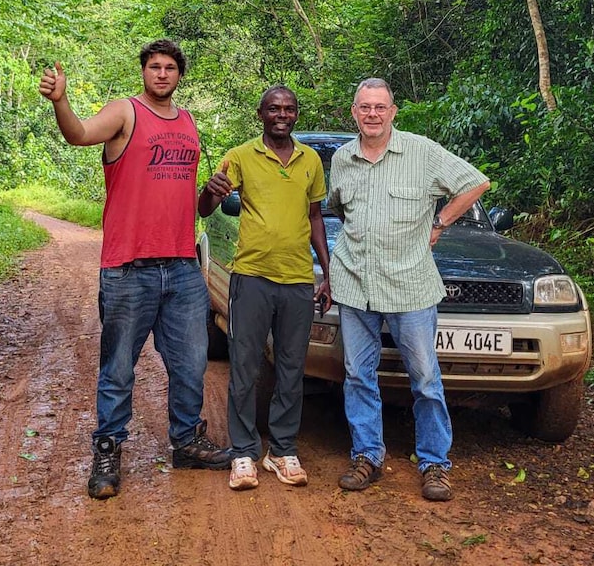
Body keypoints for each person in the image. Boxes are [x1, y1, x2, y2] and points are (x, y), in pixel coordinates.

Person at [39, 39, 232, 501]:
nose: (162, 74)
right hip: (129, 269)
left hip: (184, 266)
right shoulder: (125, 113)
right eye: (154, 67)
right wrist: (61, 101)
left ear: (179, 75)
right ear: (143, 72)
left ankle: (186, 442)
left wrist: (211, 194)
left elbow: (193, 203)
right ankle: (107, 452)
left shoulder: (188, 122)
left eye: (169, 68)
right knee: (118, 368)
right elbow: (79, 134)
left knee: (189, 365)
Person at [327, 78, 490, 502]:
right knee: (357, 376)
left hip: (410, 286)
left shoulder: (422, 151)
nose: (373, 114)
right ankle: (367, 455)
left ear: (393, 111)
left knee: (425, 379)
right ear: (354, 112)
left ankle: (435, 463)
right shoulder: (343, 158)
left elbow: (476, 183)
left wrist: (439, 223)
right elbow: (340, 209)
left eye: (380, 107)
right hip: (354, 283)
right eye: (365, 107)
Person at [197, 86, 333, 491]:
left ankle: (283, 450)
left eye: (289, 109)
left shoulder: (310, 161)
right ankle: (243, 452)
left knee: (292, 367)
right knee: (245, 365)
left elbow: (315, 218)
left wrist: (326, 273)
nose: (281, 114)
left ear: (296, 115)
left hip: (297, 280)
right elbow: (205, 208)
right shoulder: (240, 156)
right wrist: (211, 190)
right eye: (274, 108)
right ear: (260, 114)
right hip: (252, 277)